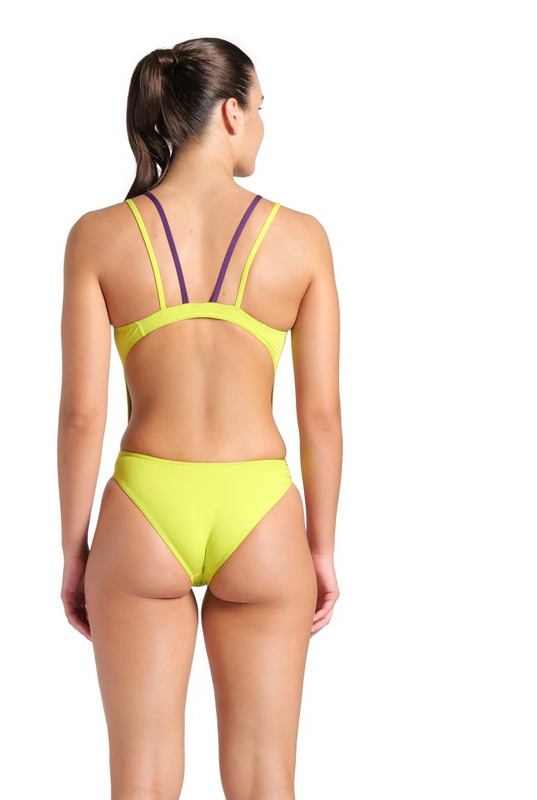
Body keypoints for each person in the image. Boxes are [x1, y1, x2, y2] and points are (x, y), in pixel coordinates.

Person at [58, 36, 342, 800]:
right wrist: (319, 547)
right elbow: (321, 416)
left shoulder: (97, 235)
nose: (262, 126)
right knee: (264, 782)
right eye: (261, 108)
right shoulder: (303, 239)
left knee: (142, 781)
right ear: (230, 113)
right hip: (261, 510)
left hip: (144, 510)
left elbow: (82, 415)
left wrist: (75, 551)